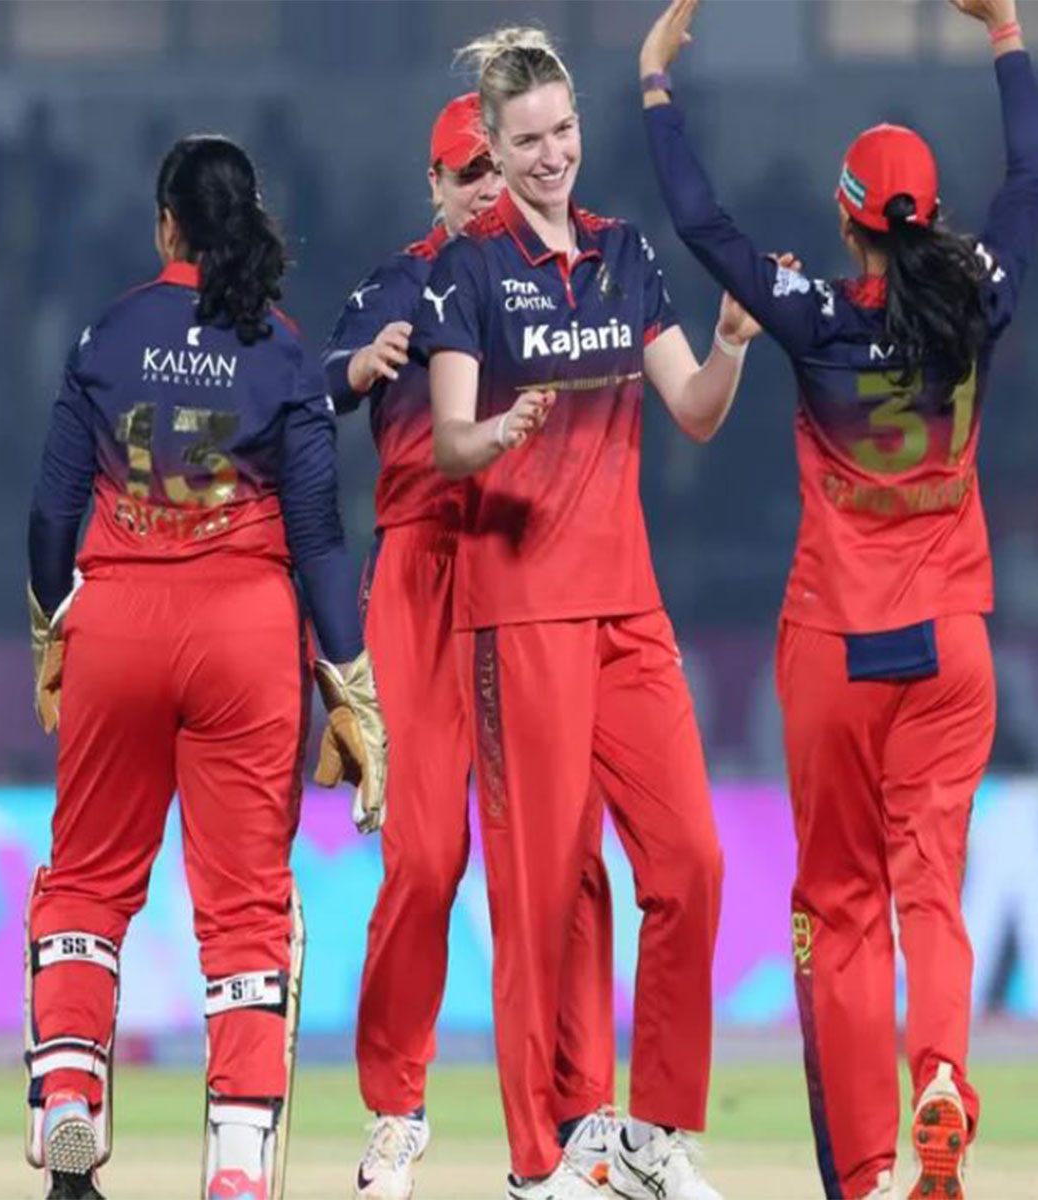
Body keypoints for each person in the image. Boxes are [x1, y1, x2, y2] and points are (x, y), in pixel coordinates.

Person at [638, 2, 1038, 1198]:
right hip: (952, 643)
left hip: (833, 645)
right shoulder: (976, 299)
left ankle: (867, 1168)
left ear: (844, 215)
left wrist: (656, 88)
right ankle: (944, 1079)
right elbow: (1030, 174)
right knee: (933, 889)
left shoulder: (809, 314)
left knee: (840, 901)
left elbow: (700, 221)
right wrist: (1005, 32)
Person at [414, 26, 767, 1200]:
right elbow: (453, 437)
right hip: (518, 615)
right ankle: (536, 1166)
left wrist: (726, 350)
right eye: (527, 141)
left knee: (693, 863)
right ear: (494, 153)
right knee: (538, 894)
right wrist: (496, 435)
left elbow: (697, 414)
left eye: (564, 130)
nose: (553, 154)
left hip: (628, 609)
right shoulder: (469, 272)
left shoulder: (626, 256)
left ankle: (655, 1132)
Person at [23, 134, 387, 1200]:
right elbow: (320, 538)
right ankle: (235, 1165)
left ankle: (72, 1111)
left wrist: (53, 628)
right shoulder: (278, 348)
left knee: (87, 885)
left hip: (119, 625)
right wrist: (351, 689)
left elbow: (51, 509)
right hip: (244, 637)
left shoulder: (107, 330)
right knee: (244, 908)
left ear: (167, 225)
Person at [322, 94, 621, 1199]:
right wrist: (354, 373)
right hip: (419, 575)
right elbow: (295, 400)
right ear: (434, 186)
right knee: (424, 859)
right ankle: (396, 1111)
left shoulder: (566, 271)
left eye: (495, 170)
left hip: (538, 565)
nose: (487, 191)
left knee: (564, 854)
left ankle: (580, 1112)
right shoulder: (398, 286)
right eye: (464, 176)